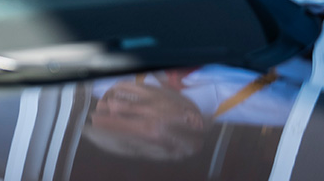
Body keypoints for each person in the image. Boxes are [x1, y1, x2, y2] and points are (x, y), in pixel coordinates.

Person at [82, 59, 309, 161]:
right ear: (191, 120)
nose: (114, 102)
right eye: (132, 115)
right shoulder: (280, 106)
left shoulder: (100, 78)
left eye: (101, 110)